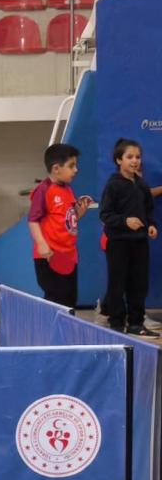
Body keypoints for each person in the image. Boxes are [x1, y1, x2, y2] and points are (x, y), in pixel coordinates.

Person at [98, 138, 157, 335]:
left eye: (138, 157)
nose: (135, 161)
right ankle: (116, 323)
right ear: (118, 160)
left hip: (140, 242)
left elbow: (148, 211)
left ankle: (136, 323)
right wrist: (125, 221)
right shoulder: (113, 185)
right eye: (129, 157)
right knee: (118, 283)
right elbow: (105, 214)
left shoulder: (141, 185)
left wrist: (151, 225)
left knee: (139, 284)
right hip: (118, 243)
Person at [28, 142, 94, 309]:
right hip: (49, 255)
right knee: (56, 299)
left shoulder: (68, 190)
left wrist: (80, 213)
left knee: (70, 299)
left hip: (69, 255)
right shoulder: (43, 190)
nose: (76, 170)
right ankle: (50, 326)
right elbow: (33, 220)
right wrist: (42, 244)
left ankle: (66, 327)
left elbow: (69, 219)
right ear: (56, 168)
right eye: (71, 166)